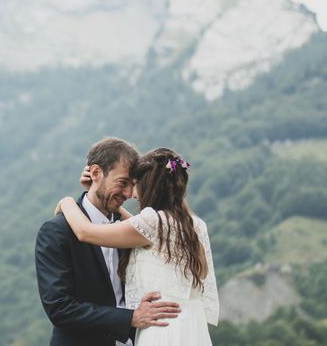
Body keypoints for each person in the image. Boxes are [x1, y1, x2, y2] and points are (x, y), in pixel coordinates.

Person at [56, 147, 219, 346]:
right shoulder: (193, 224)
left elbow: (85, 232)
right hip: (192, 328)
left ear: (149, 187)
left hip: (162, 331)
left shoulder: (153, 224)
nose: (132, 193)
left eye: (136, 185)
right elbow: (141, 230)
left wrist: (67, 202)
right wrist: (95, 188)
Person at [35, 138, 182, 346]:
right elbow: (60, 309)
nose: (129, 194)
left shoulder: (132, 230)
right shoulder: (56, 231)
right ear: (95, 173)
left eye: (132, 185)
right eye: (122, 183)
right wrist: (130, 318)